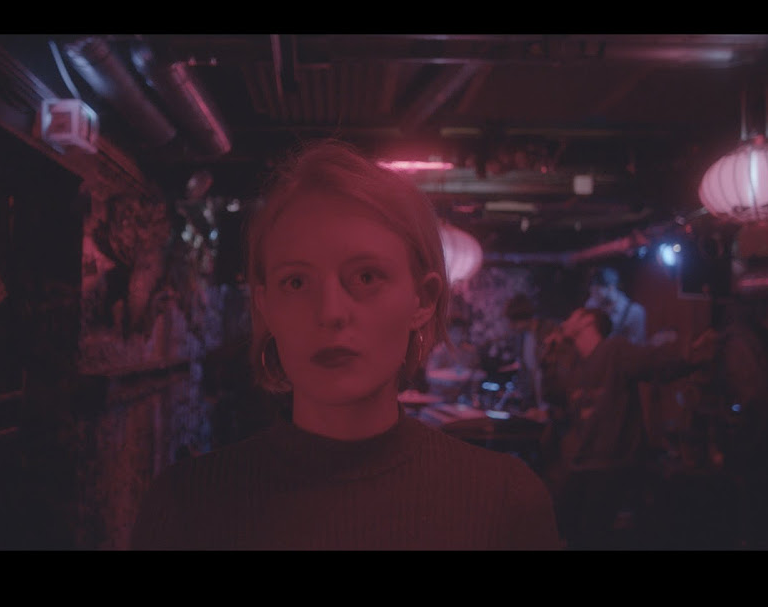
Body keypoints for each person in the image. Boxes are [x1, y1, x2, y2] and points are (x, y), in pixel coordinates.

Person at [129, 139, 561, 550]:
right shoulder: (186, 508)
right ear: (266, 306)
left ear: (423, 300)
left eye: (366, 277)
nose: (331, 312)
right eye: (296, 282)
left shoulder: (504, 504)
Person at [539, 305, 720, 549]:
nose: (564, 321)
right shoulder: (578, 365)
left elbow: (657, 364)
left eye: (572, 315)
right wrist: (548, 357)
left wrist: (695, 355)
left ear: (587, 321)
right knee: (562, 530)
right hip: (581, 462)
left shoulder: (615, 350)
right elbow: (555, 396)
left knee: (591, 537)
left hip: (610, 462)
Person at [503, 293, 562, 415]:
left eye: (513, 322)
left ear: (521, 317)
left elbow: (554, 368)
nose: (511, 327)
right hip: (536, 404)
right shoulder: (521, 338)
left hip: (552, 403)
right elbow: (528, 371)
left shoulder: (549, 330)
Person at [424, 316, 482, 402]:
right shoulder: (439, 351)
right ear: (448, 333)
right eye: (457, 332)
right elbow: (430, 375)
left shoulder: (470, 351)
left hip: (463, 397)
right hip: (439, 398)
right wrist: (451, 374)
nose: (460, 335)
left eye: (463, 332)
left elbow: (475, 373)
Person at [585, 266, 647, 345]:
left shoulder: (635, 312)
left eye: (596, 291)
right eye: (591, 292)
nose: (593, 296)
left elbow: (639, 345)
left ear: (611, 288)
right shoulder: (591, 304)